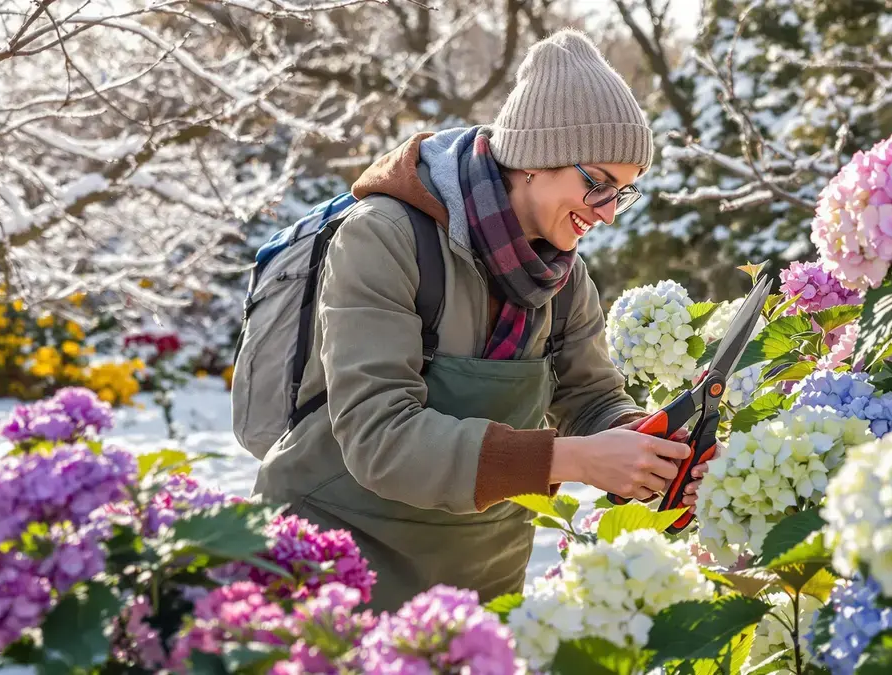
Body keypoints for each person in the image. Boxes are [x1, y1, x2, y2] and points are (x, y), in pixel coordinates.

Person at [251, 28, 710, 613]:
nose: (610, 213)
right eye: (598, 183)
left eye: (625, 192)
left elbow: (591, 400)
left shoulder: (563, 276)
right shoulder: (385, 238)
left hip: (478, 585)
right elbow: (379, 437)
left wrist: (653, 444)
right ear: (533, 160)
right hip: (333, 567)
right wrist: (572, 459)